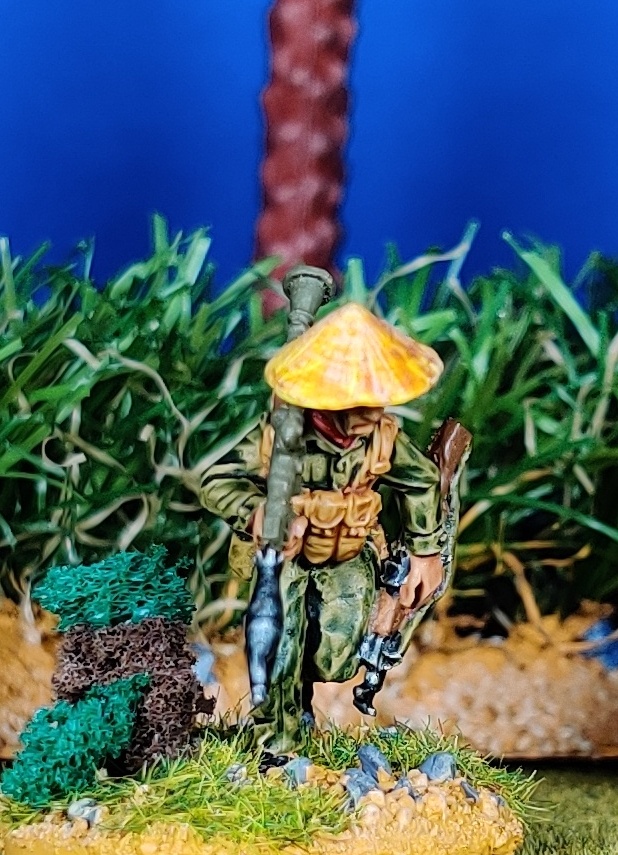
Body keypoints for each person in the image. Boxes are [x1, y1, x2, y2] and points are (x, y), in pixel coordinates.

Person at [200, 301, 467, 752]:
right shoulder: (279, 435)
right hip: (288, 560)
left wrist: (425, 552)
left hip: (349, 558)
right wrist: (256, 511)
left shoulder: (381, 439)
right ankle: (277, 740)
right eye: (359, 402)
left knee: (336, 655)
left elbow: (421, 481)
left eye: (377, 401)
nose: (372, 413)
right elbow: (216, 481)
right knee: (280, 647)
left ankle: (300, 698)